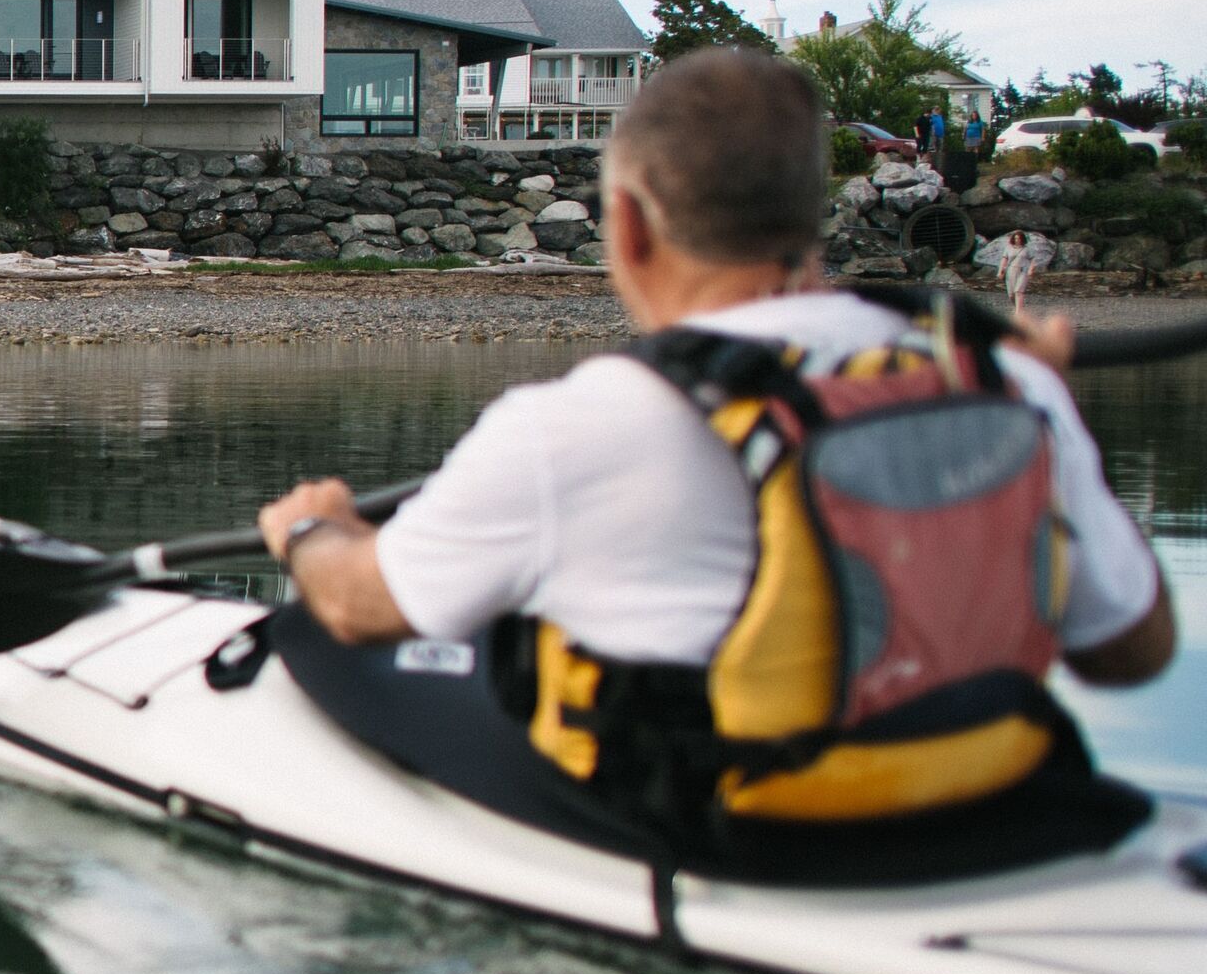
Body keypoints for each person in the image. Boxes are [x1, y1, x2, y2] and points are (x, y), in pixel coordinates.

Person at [257, 49, 1171, 859]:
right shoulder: (1004, 379)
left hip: (743, 835)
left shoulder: (572, 423)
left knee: (325, 639)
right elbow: (1130, 651)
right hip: (993, 800)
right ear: (810, 213)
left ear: (628, 223)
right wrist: (1048, 411)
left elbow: (360, 606)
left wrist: (310, 530)